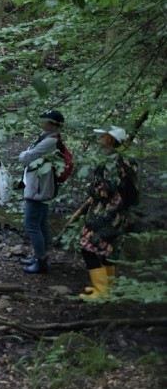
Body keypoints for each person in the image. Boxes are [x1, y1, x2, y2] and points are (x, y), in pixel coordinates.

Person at [78, 126, 137, 300]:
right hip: (120, 214)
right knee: (108, 250)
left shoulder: (112, 162)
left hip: (105, 214)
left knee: (87, 249)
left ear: (111, 140)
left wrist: (91, 189)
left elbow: (106, 189)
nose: (99, 140)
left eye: (103, 137)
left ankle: (101, 291)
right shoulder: (129, 160)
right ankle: (107, 289)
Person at [18, 109, 64, 275]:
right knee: (41, 223)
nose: (41, 121)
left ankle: (41, 260)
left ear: (52, 124)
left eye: (44, 119)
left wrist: (23, 154)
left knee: (31, 225)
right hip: (40, 187)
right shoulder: (47, 137)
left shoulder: (50, 141)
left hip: (39, 189)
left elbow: (26, 157)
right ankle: (40, 256)